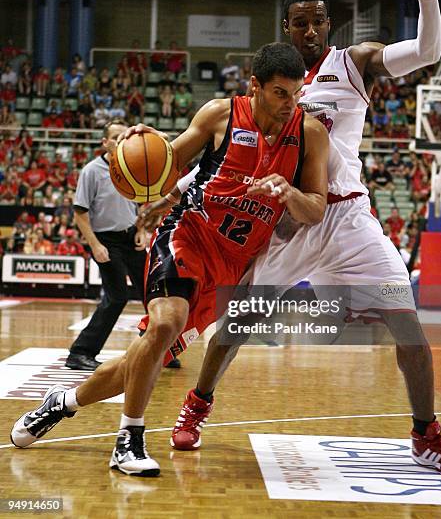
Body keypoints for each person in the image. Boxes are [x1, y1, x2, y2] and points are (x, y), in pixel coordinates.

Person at [155, 0, 441, 474]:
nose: (311, 31)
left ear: (329, 23)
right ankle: (195, 408)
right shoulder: (272, 86)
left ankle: (426, 435)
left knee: (408, 325)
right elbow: (231, 157)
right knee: (239, 320)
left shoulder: (353, 64)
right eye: (300, 23)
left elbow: (427, 50)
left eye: (319, 21)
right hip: (287, 217)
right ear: (286, 28)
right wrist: (172, 189)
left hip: (347, 215)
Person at [10, 42, 329, 478]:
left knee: (144, 357)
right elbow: (170, 160)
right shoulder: (220, 115)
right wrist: (143, 147)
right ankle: (130, 439)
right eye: (279, 93)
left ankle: (62, 402)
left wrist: (290, 193)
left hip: (230, 268)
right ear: (254, 86)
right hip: (186, 236)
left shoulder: (309, 133)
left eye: (295, 93)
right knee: (164, 324)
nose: (288, 104)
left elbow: (317, 207)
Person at [55, 119, 148, 371]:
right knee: (117, 297)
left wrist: (141, 229)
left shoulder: (134, 167)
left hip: (131, 238)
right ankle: (80, 352)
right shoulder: (91, 171)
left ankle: (160, 349)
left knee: (154, 295)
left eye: (124, 136)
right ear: (105, 142)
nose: (120, 141)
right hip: (106, 241)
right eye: (115, 137)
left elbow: (138, 204)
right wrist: (94, 244)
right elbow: (80, 213)